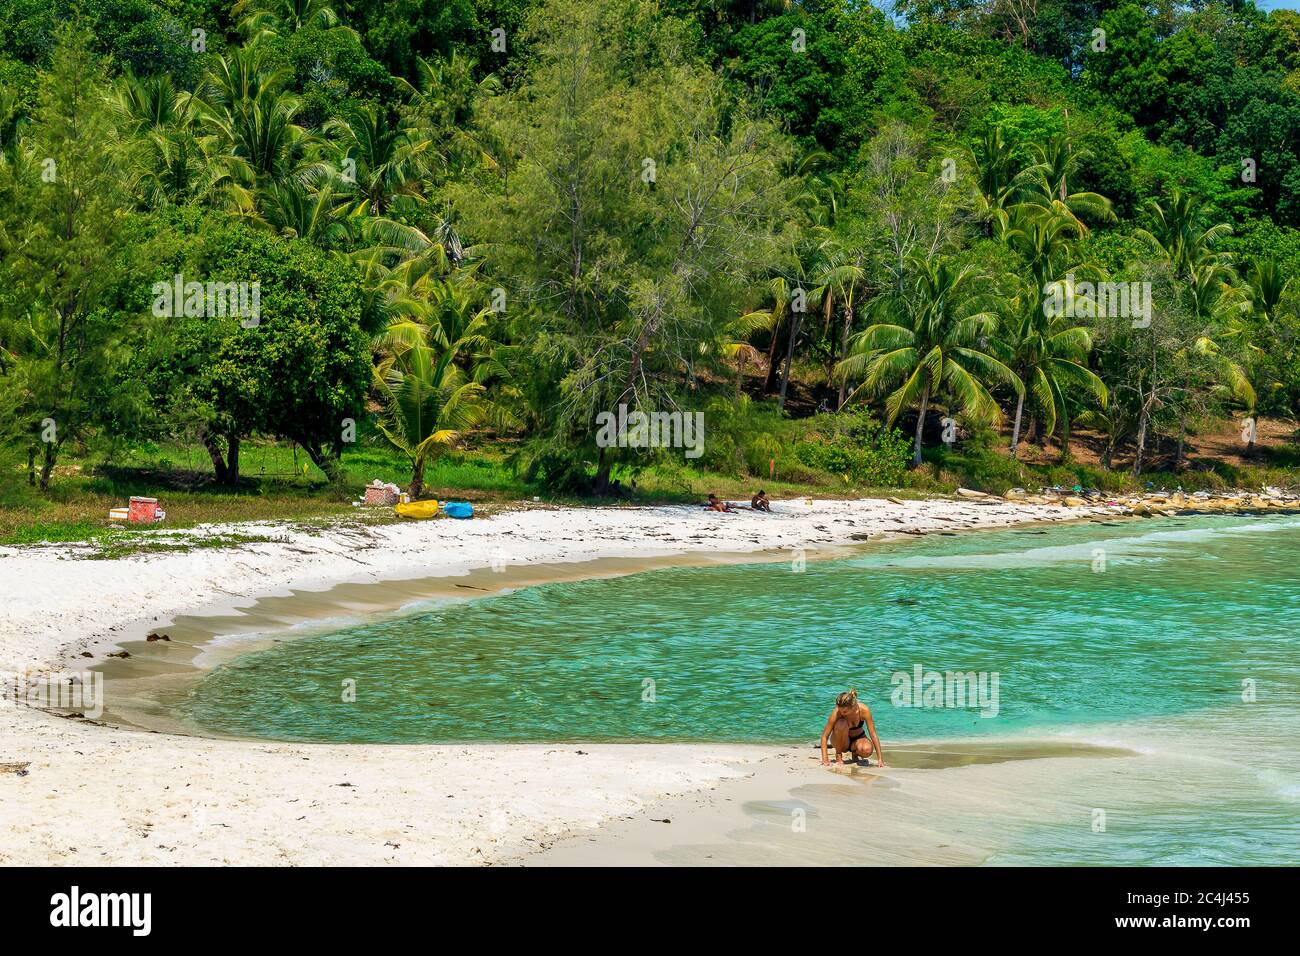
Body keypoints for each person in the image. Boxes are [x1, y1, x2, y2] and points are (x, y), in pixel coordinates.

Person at [819, 689, 884, 767]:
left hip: (858, 738)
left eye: (845, 712)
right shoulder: (837, 712)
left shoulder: (864, 710)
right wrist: (825, 758)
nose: (841, 713)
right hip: (840, 741)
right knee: (841, 723)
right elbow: (824, 736)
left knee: (866, 750)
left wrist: (880, 759)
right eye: (840, 710)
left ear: (853, 707)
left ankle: (855, 753)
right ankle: (838, 755)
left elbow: (873, 734)